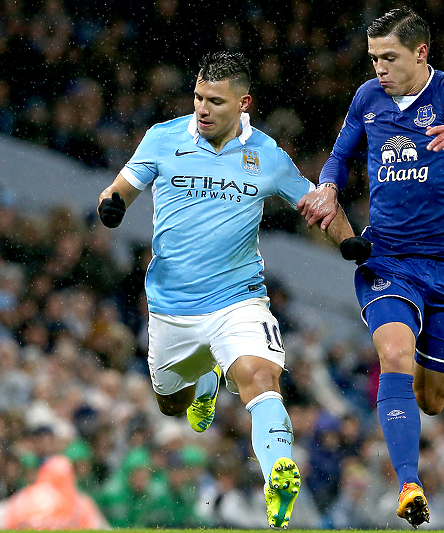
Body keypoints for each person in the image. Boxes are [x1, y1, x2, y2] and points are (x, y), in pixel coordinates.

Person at [97, 51, 351, 528]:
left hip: (239, 298)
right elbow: (118, 191)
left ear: (244, 103)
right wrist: (112, 205)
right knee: (171, 404)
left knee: (260, 375)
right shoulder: (163, 137)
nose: (203, 108)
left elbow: (319, 204)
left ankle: (279, 468)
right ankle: (206, 378)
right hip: (172, 308)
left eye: (215, 100)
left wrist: (353, 245)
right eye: (198, 97)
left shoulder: (268, 155)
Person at [297, 8, 444, 528]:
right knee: (394, 355)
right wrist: (326, 185)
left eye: (389, 57)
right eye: (373, 58)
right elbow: (341, 155)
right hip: (389, 259)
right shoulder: (368, 99)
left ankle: (414, 391)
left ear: (421, 53)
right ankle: (409, 483)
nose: (379, 69)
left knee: (433, 400)